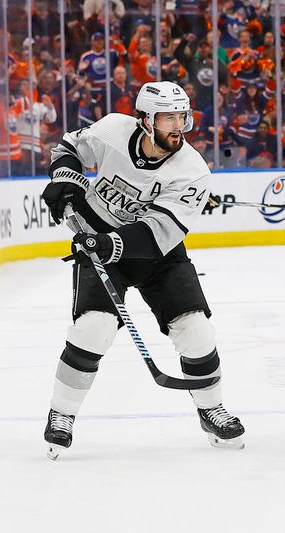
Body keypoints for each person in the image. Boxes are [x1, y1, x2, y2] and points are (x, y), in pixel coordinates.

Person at [40, 81, 245, 459]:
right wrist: (65, 182)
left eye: (182, 116)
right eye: (169, 117)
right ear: (145, 120)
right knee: (93, 329)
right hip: (99, 244)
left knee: (196, 330)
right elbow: (68, 146)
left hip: (158, 256)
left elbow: (158, 233)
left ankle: (211, 408)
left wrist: (110, 241)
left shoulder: (192, 170)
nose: (178, 125)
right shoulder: (113, 129)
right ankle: (61, 413)